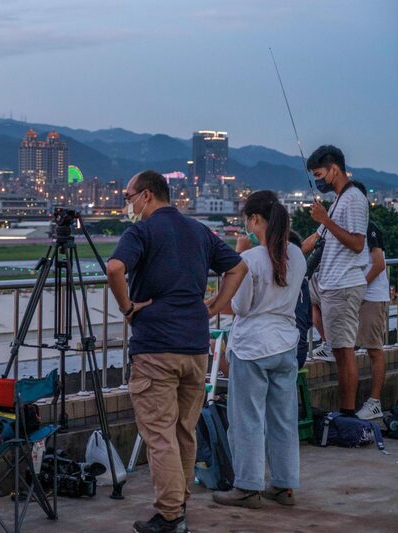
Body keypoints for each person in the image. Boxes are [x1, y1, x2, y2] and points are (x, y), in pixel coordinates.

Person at [107, 170, 247, 533]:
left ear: (148, 195)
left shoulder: (141, 231)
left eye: (130, 196)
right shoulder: (199, 231)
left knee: (159, 435)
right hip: (196, 347)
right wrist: (214, 305)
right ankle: (180, 504)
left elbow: (115, 267)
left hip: (156, 347)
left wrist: (127, 308)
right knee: (185, 431)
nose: (129, 204)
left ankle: (170, 515)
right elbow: (238, 266)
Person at [211, 190, 306, 510]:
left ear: (255, 220)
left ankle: (247, 485)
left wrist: (236, 259)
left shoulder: (250, 259)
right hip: (285, 342)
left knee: (247, 419)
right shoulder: (297, 254)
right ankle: (283, 483)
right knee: (283, 417)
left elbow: (239, 306)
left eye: (247, 220)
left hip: (253, 346)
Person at [301, 145, 368, 416]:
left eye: (319, 174)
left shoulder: (353, 200)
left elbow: (356, 243)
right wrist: (283, 252)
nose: (318, 181)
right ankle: (345, 411)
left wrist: (326, 220)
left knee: (344, 351)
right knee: (338, 349)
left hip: (342, 284)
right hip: (328, 283)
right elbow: (315, 239)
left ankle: (347, 412)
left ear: (334, 169)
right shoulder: (339, 200)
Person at [351, 180, 390, 420]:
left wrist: (358, 286)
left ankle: (375, 402)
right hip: (356, 297)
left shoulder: (369, 227)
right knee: (348, 348)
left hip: (373, 298)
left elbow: (379, 264)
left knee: (374, 350)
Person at [289, 230, 312, 370]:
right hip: (300, 354)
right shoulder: (302, 283)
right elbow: (308, 321)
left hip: (287, 354)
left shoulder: (280, 283)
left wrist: (240, 253)